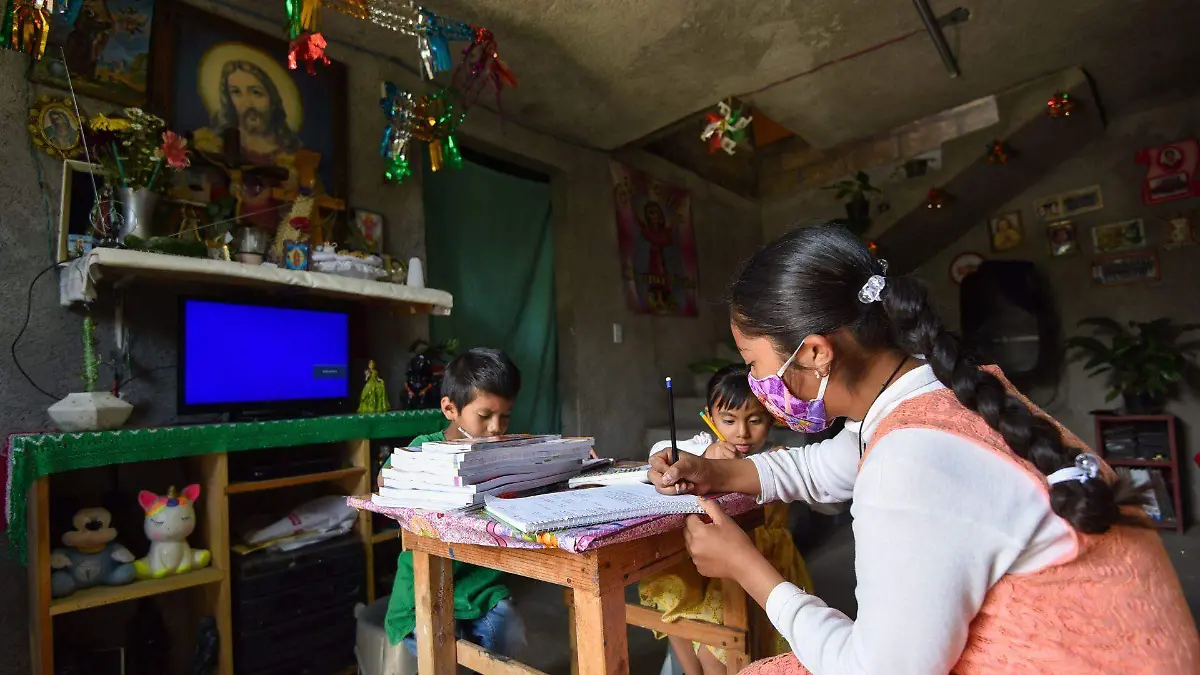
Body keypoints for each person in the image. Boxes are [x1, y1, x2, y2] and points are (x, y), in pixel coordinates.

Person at [650, 225, 1199, 674]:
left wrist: (749, 570)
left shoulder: (913, 462)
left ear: (814, 354)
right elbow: (823, 466)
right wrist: (715, 474)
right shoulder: (937, 393)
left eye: (752, 362)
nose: (753, 379)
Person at [639, 364, 812, 675]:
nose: (742, 433)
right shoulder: (705, 448)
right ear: (710, 417)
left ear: (771, 418)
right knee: (674, 595)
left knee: (755, 647)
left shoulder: (778, 458)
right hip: (715, 564)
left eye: (755, 420)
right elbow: (660, 451)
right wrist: (706, 455)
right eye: (729, 420)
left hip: (769, 562)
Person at [382, 348, 526, 656]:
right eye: (485, 416)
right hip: (427, 584)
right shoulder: (426, 448)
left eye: (505, 416)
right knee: (436, 645)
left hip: (481, 584)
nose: (496, 428)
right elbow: (384, 481)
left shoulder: (502, 451)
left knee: (508, 629)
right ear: (450, 409)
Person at [211, 60, 301, 159]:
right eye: (236, 92)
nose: (247, 104)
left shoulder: (298, 158)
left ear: (273, 98)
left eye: (256, 92)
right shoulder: (216, 148)